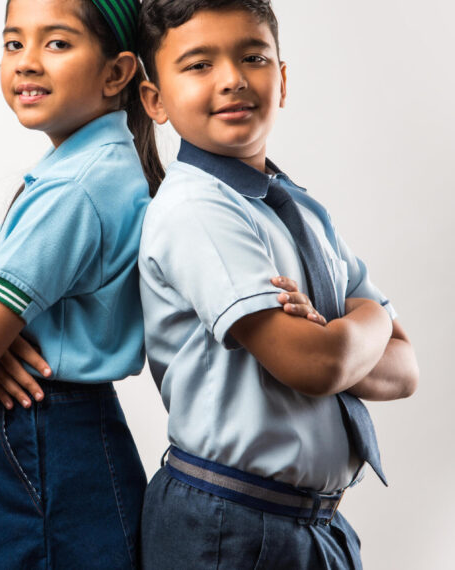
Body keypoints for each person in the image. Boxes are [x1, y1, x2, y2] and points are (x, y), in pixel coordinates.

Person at [136, 1, 419, 568]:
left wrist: (340, 331)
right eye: (198, 64)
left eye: (253, 56)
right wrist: (370, 319)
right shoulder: (197, 209)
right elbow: (315, 367)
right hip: (231, 525)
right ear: (155, 100)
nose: (233, 78)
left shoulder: (301, 210)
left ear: (282, 79)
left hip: (312, 522)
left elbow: (405, 369)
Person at [0, 0, 163, 568]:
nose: (27, 62)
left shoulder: (73, 192)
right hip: (58, 436)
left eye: (57, 43)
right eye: (14, 44)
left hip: (42, 437)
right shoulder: (81, 171)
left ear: (117, 73)